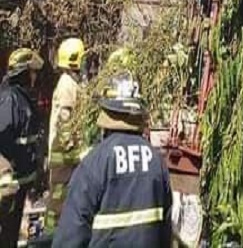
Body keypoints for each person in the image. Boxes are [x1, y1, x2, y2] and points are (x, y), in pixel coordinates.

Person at [53, 72, 173, 247]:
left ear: (107, 113)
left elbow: (72, 233)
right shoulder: (156, 162)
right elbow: (165, 230)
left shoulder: (95, 162)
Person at [0, 48, 43, 248]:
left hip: (21, 181)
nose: (35, 76)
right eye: (32, 72)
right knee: (7, 233)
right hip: (11, 184)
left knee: (12, 233)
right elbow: (4, 136)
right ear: (24, 73)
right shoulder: (10, 99)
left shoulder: (21, 97)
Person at [44, 38, 86, 232]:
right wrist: (71, 148)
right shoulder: (67, 85)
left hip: (65, 155)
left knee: (63, 199)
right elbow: (65, 119)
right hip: (63, 155)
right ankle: (50, 236)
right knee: (57, 201)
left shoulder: (71, 83)